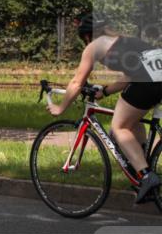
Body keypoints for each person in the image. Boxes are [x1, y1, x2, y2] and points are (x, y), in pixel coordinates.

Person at [47, 14, 162, 203]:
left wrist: (60, 108)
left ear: (86, 36)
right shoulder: (126, 40)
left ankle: (147, 175)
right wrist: (105, 91)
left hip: (147, 81)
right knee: (131, 123)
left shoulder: (94, 46)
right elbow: (130, 77)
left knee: (119, 128)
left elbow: (76, 82)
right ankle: (141, 167)